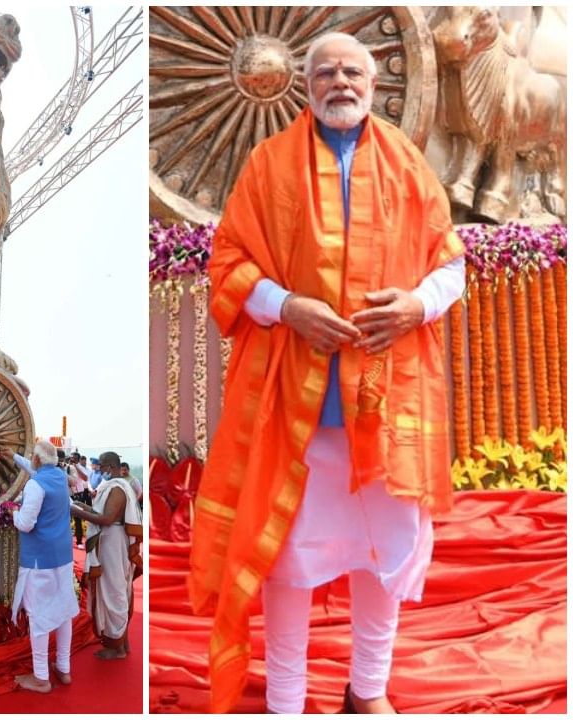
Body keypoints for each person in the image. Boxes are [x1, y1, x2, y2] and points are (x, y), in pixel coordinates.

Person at [189, 32, 465, 714]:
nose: (340, 82)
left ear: (372, 84)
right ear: (304, 85)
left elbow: (451, 265)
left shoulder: (408, 165)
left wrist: (414, 305)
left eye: (352, 71)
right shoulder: (268, 164)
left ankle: (366, 692)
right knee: (287, 562)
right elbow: (226, 265)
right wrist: (288, 307)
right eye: (325, 72)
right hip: (296, 409)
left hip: (386, 405)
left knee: (386, 556)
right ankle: (286, 699)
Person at [3, 440, 80, 693]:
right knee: (64, 611)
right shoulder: (58, 476)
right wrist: (13, 456)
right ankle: (63, 668)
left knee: (38, 615)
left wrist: (11, 512)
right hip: (62, 557)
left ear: (36, 460)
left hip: (40, 560)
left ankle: (41, 677)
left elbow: (25, 523)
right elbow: (35, 469)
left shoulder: (35, 484)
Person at [71, 451, 143, 659]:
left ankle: (117, 648)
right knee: (114, 590)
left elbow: (107, 518)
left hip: (113, 544)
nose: (99, 469)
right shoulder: (112, 486)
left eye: (102, 466)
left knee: (114, 592)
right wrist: (79, 506)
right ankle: (122, 640)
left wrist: (77, 513)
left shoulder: (118, 489)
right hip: (109, 542)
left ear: (111, 466)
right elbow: (98, 513)